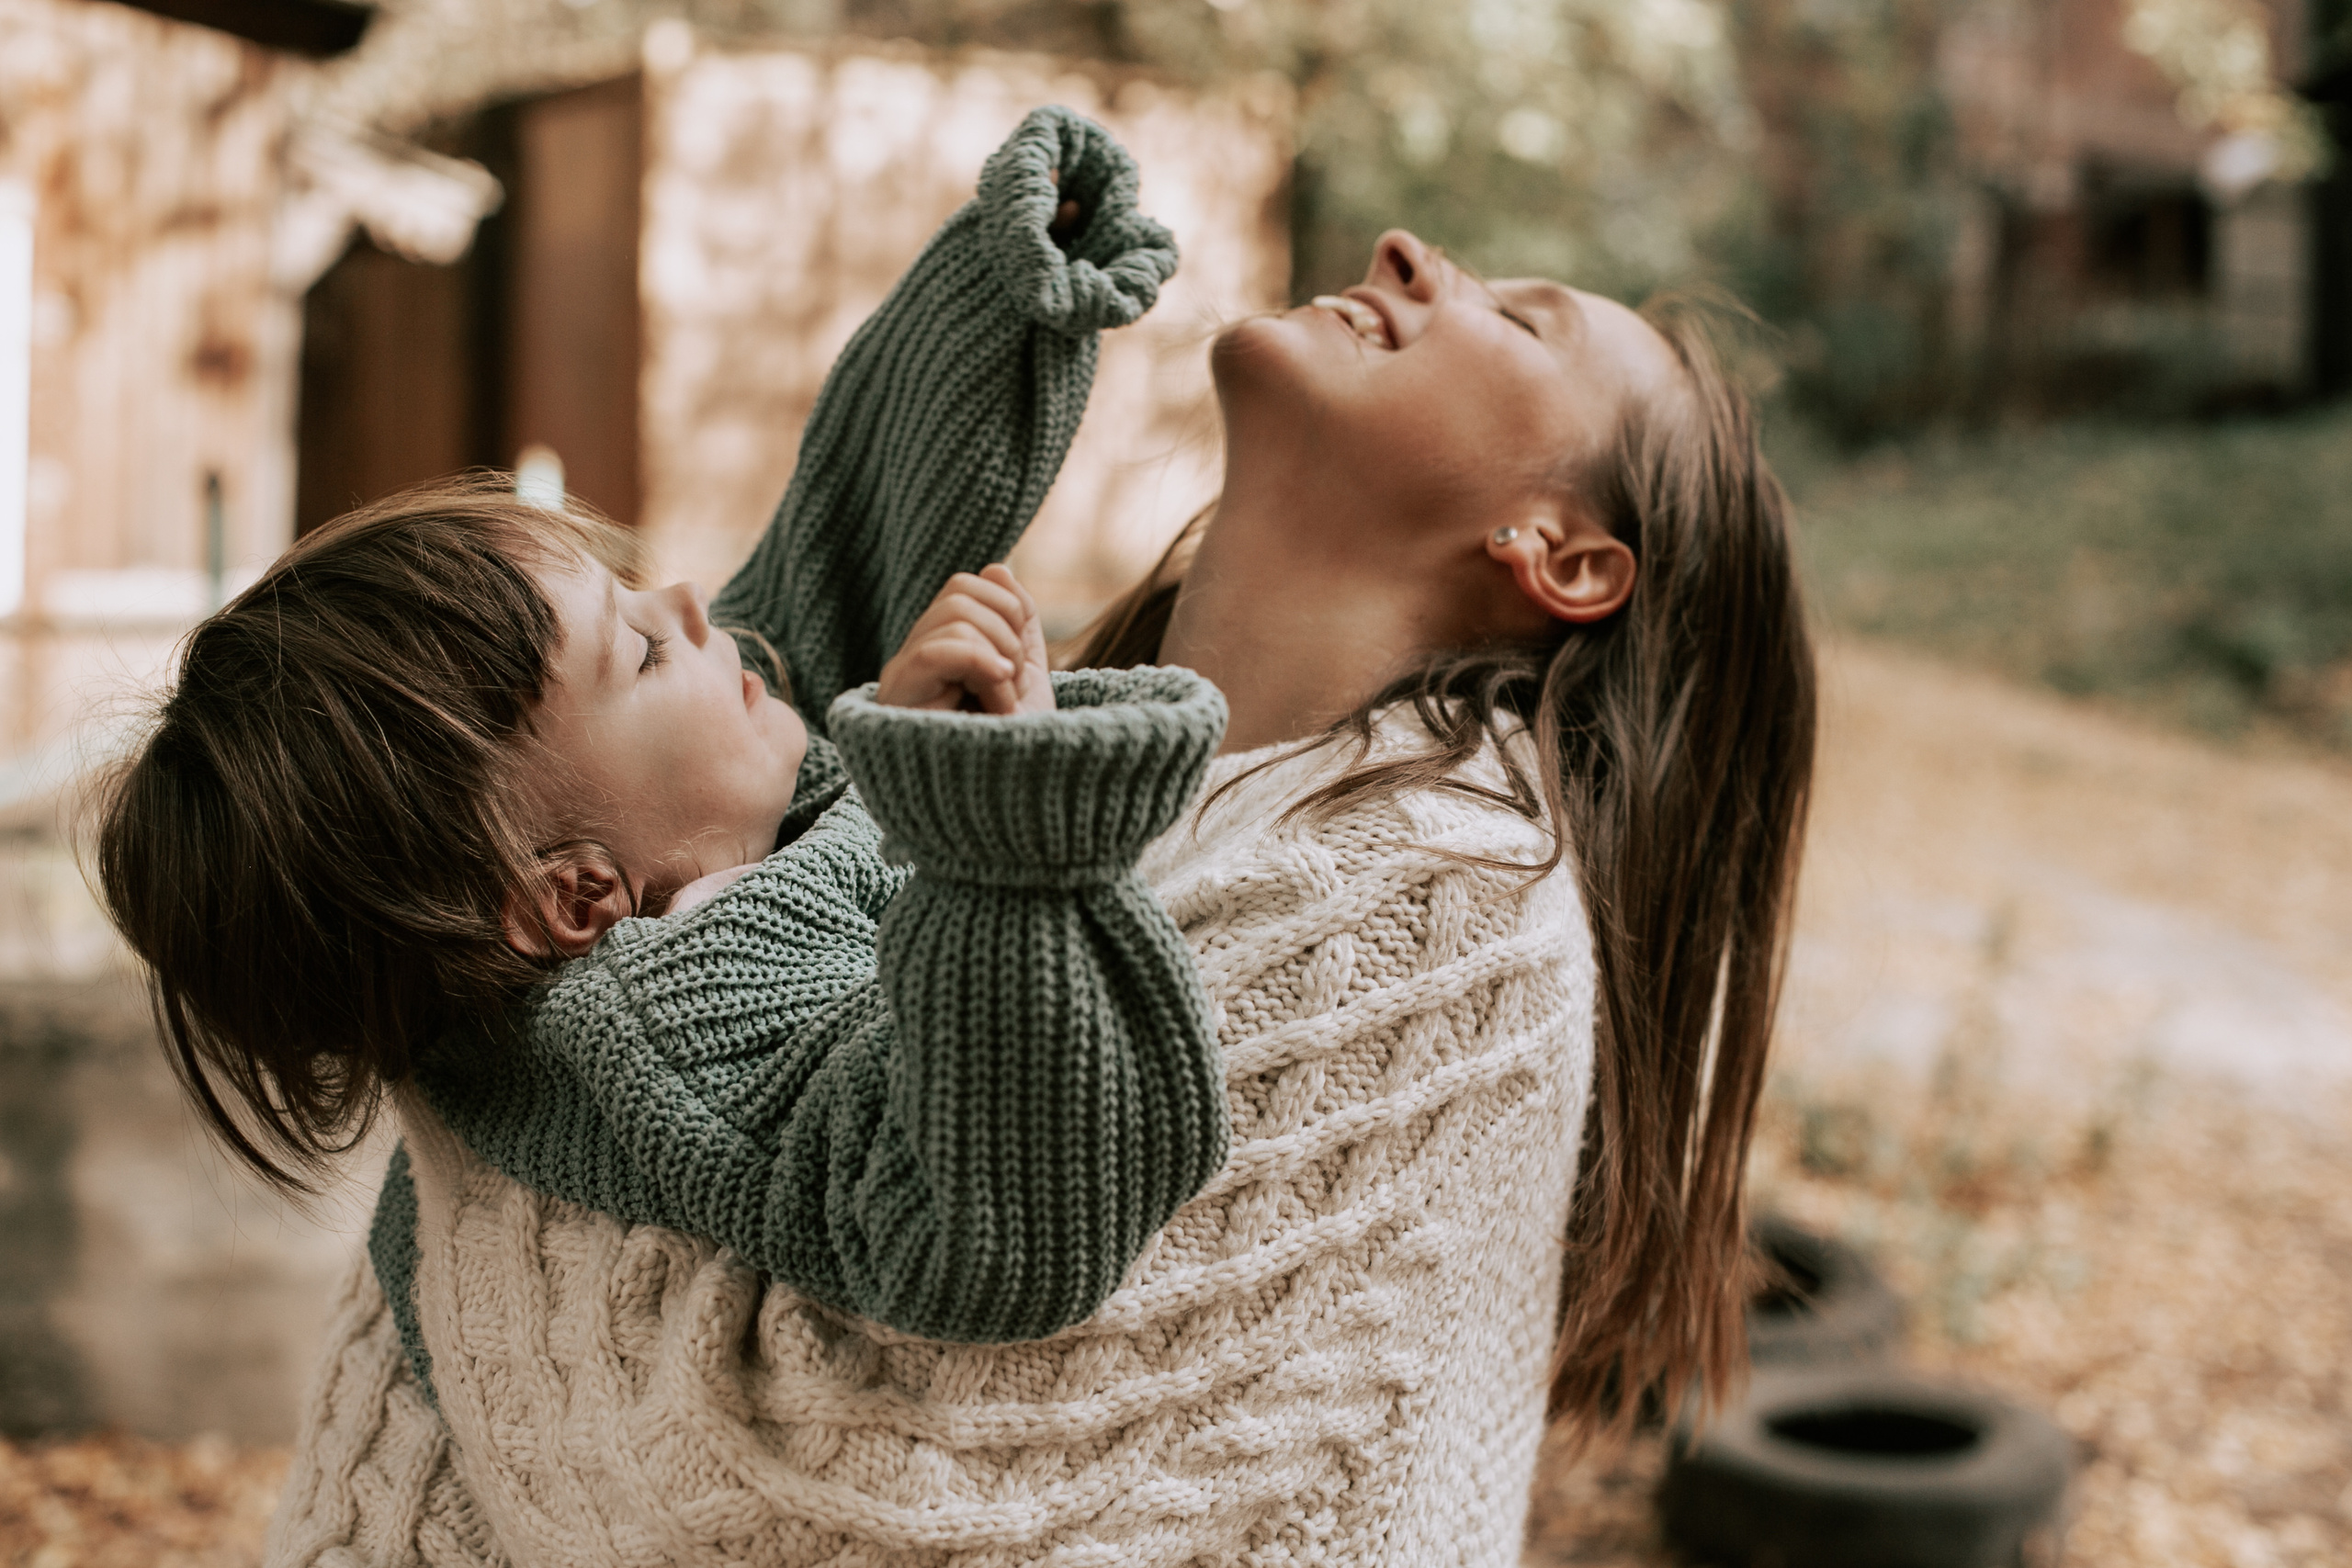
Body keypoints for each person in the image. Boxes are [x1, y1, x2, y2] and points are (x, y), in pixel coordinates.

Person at [261, 116, 1815, 1568]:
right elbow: (816, 596)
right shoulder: (1026, 766)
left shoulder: (1439, 900)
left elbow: (840, 1488)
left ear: (1563, 557)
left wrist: (473, 1043)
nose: (1411, 251)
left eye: (1523, 321)